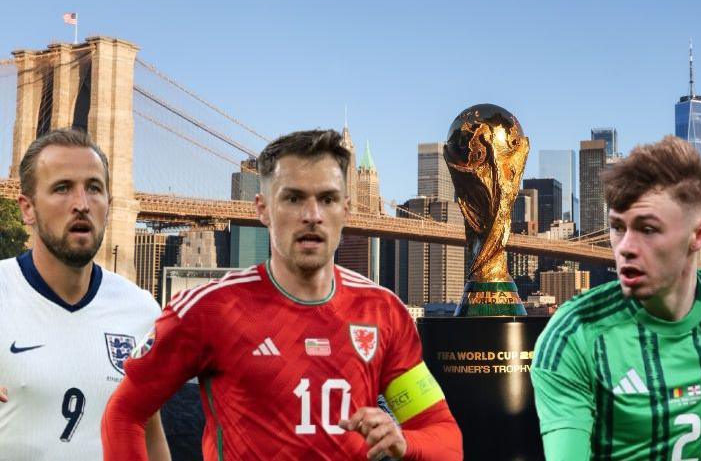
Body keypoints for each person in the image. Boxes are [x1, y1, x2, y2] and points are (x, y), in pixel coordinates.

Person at [103, 129, 463, 460]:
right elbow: (125, 413)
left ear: (347, 209)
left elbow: (445, 439)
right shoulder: (208, 309)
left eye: (327, 199)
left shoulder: (382, 311)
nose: (312, 215)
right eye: (293, 198)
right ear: (262, 208)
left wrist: (405, 442)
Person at [530, 136, 701, 460]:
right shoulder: (573, 337)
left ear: (699, 235)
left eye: (647, 229)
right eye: (618, 227)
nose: (625, 247)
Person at [0, 128, 168, 460]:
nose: (82, 204)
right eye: (62, 188)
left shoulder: (142, 309)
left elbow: (150, 434)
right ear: (27, 208)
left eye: (94, 188)